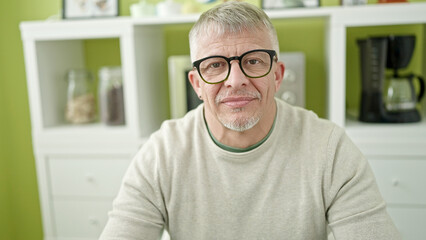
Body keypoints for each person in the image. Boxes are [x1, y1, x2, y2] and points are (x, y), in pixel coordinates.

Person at [100, 1, 400, 239]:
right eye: (216, 65)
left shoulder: (330, 149)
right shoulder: (161, 154)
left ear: (277, 74)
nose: (236, 80)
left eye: (253, 61)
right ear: (197, 84)